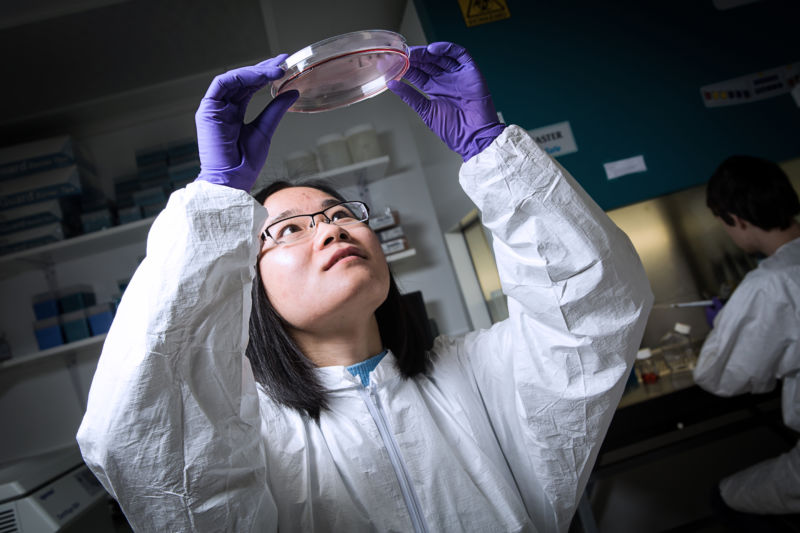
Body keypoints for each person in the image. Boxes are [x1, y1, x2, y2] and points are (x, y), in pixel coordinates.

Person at [76, 42, 652, 532]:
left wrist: (492, 151)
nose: (328, 230)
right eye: (288, 230)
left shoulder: (476, 373)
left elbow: (597, 309)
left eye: (339, 214)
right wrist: (214, 200)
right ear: (247, 285)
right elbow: (142, 436)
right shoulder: (251, 434)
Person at [693, 155, 800, 516]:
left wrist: (725, 328)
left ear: (735, 218)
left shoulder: (769, 283)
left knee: (722, 500)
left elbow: (719, 376)